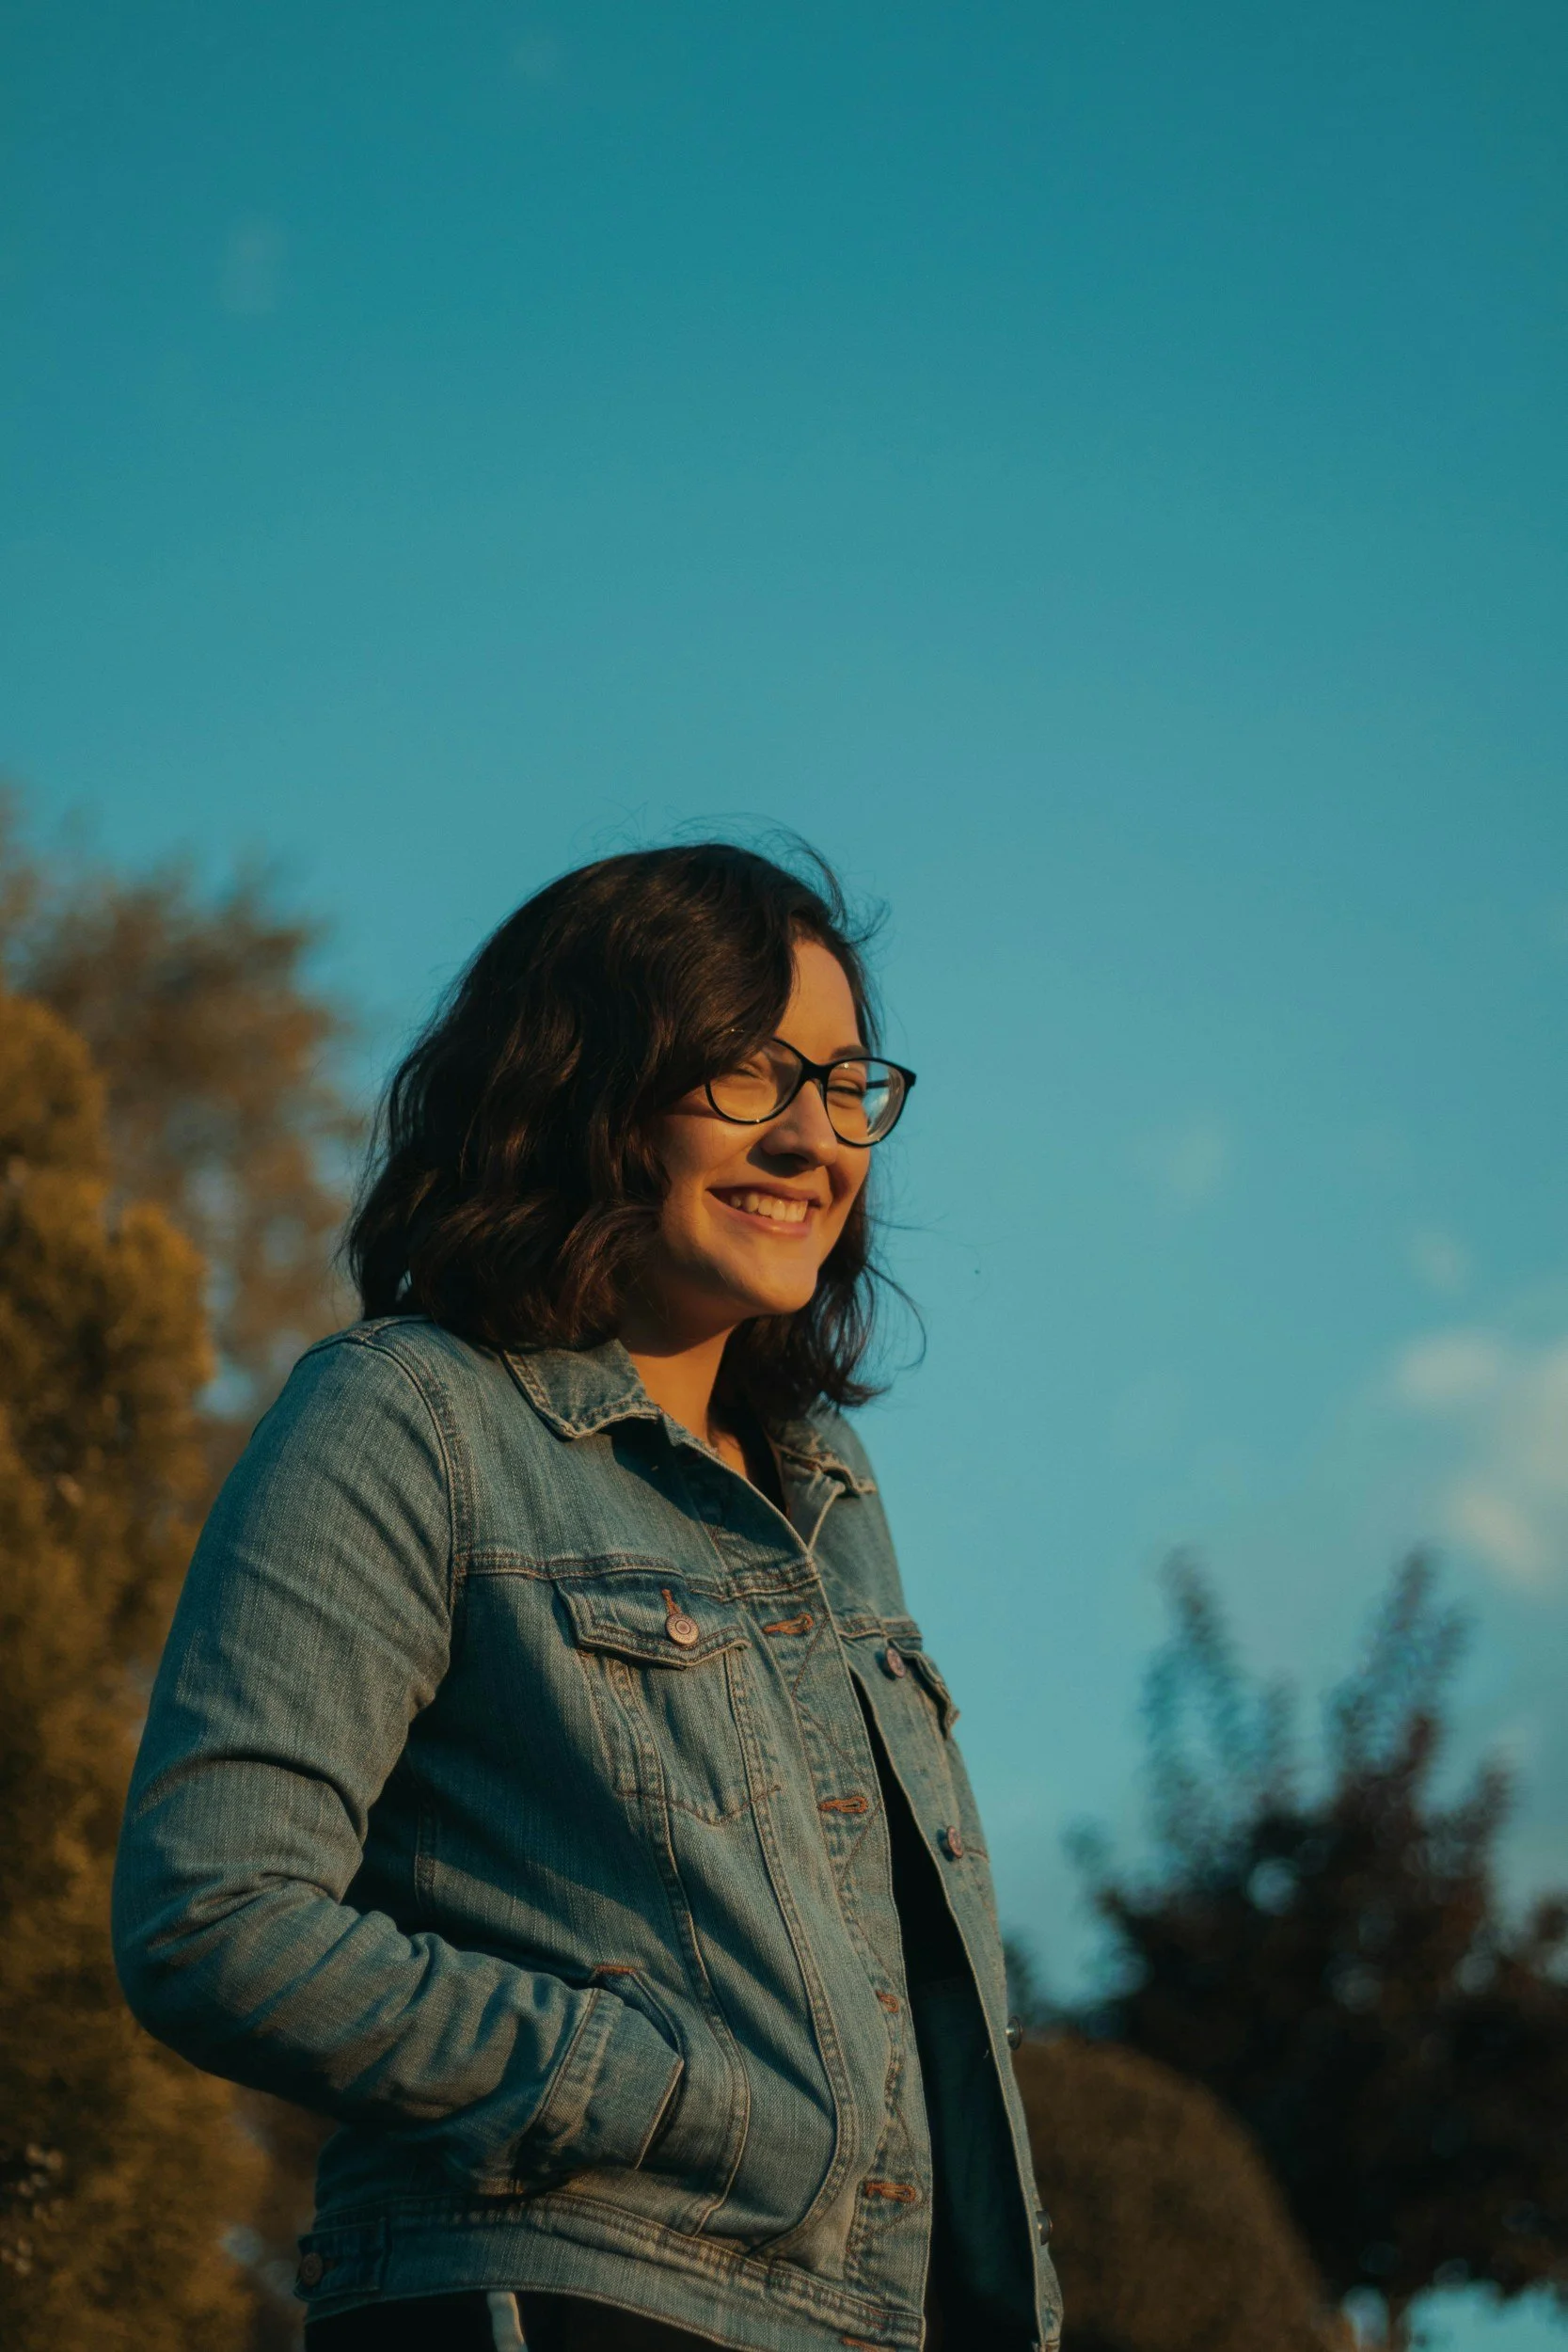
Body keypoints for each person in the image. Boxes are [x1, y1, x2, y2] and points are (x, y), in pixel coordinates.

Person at [113, 842, 1061, 2352]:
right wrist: (646, 2086)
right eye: (749, 1075)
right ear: (581, 1085)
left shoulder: (824, 1490)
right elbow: (216, 1915)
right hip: (555, 2297)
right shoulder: (410, 1416)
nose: (816, 1137)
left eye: (845, 1086)